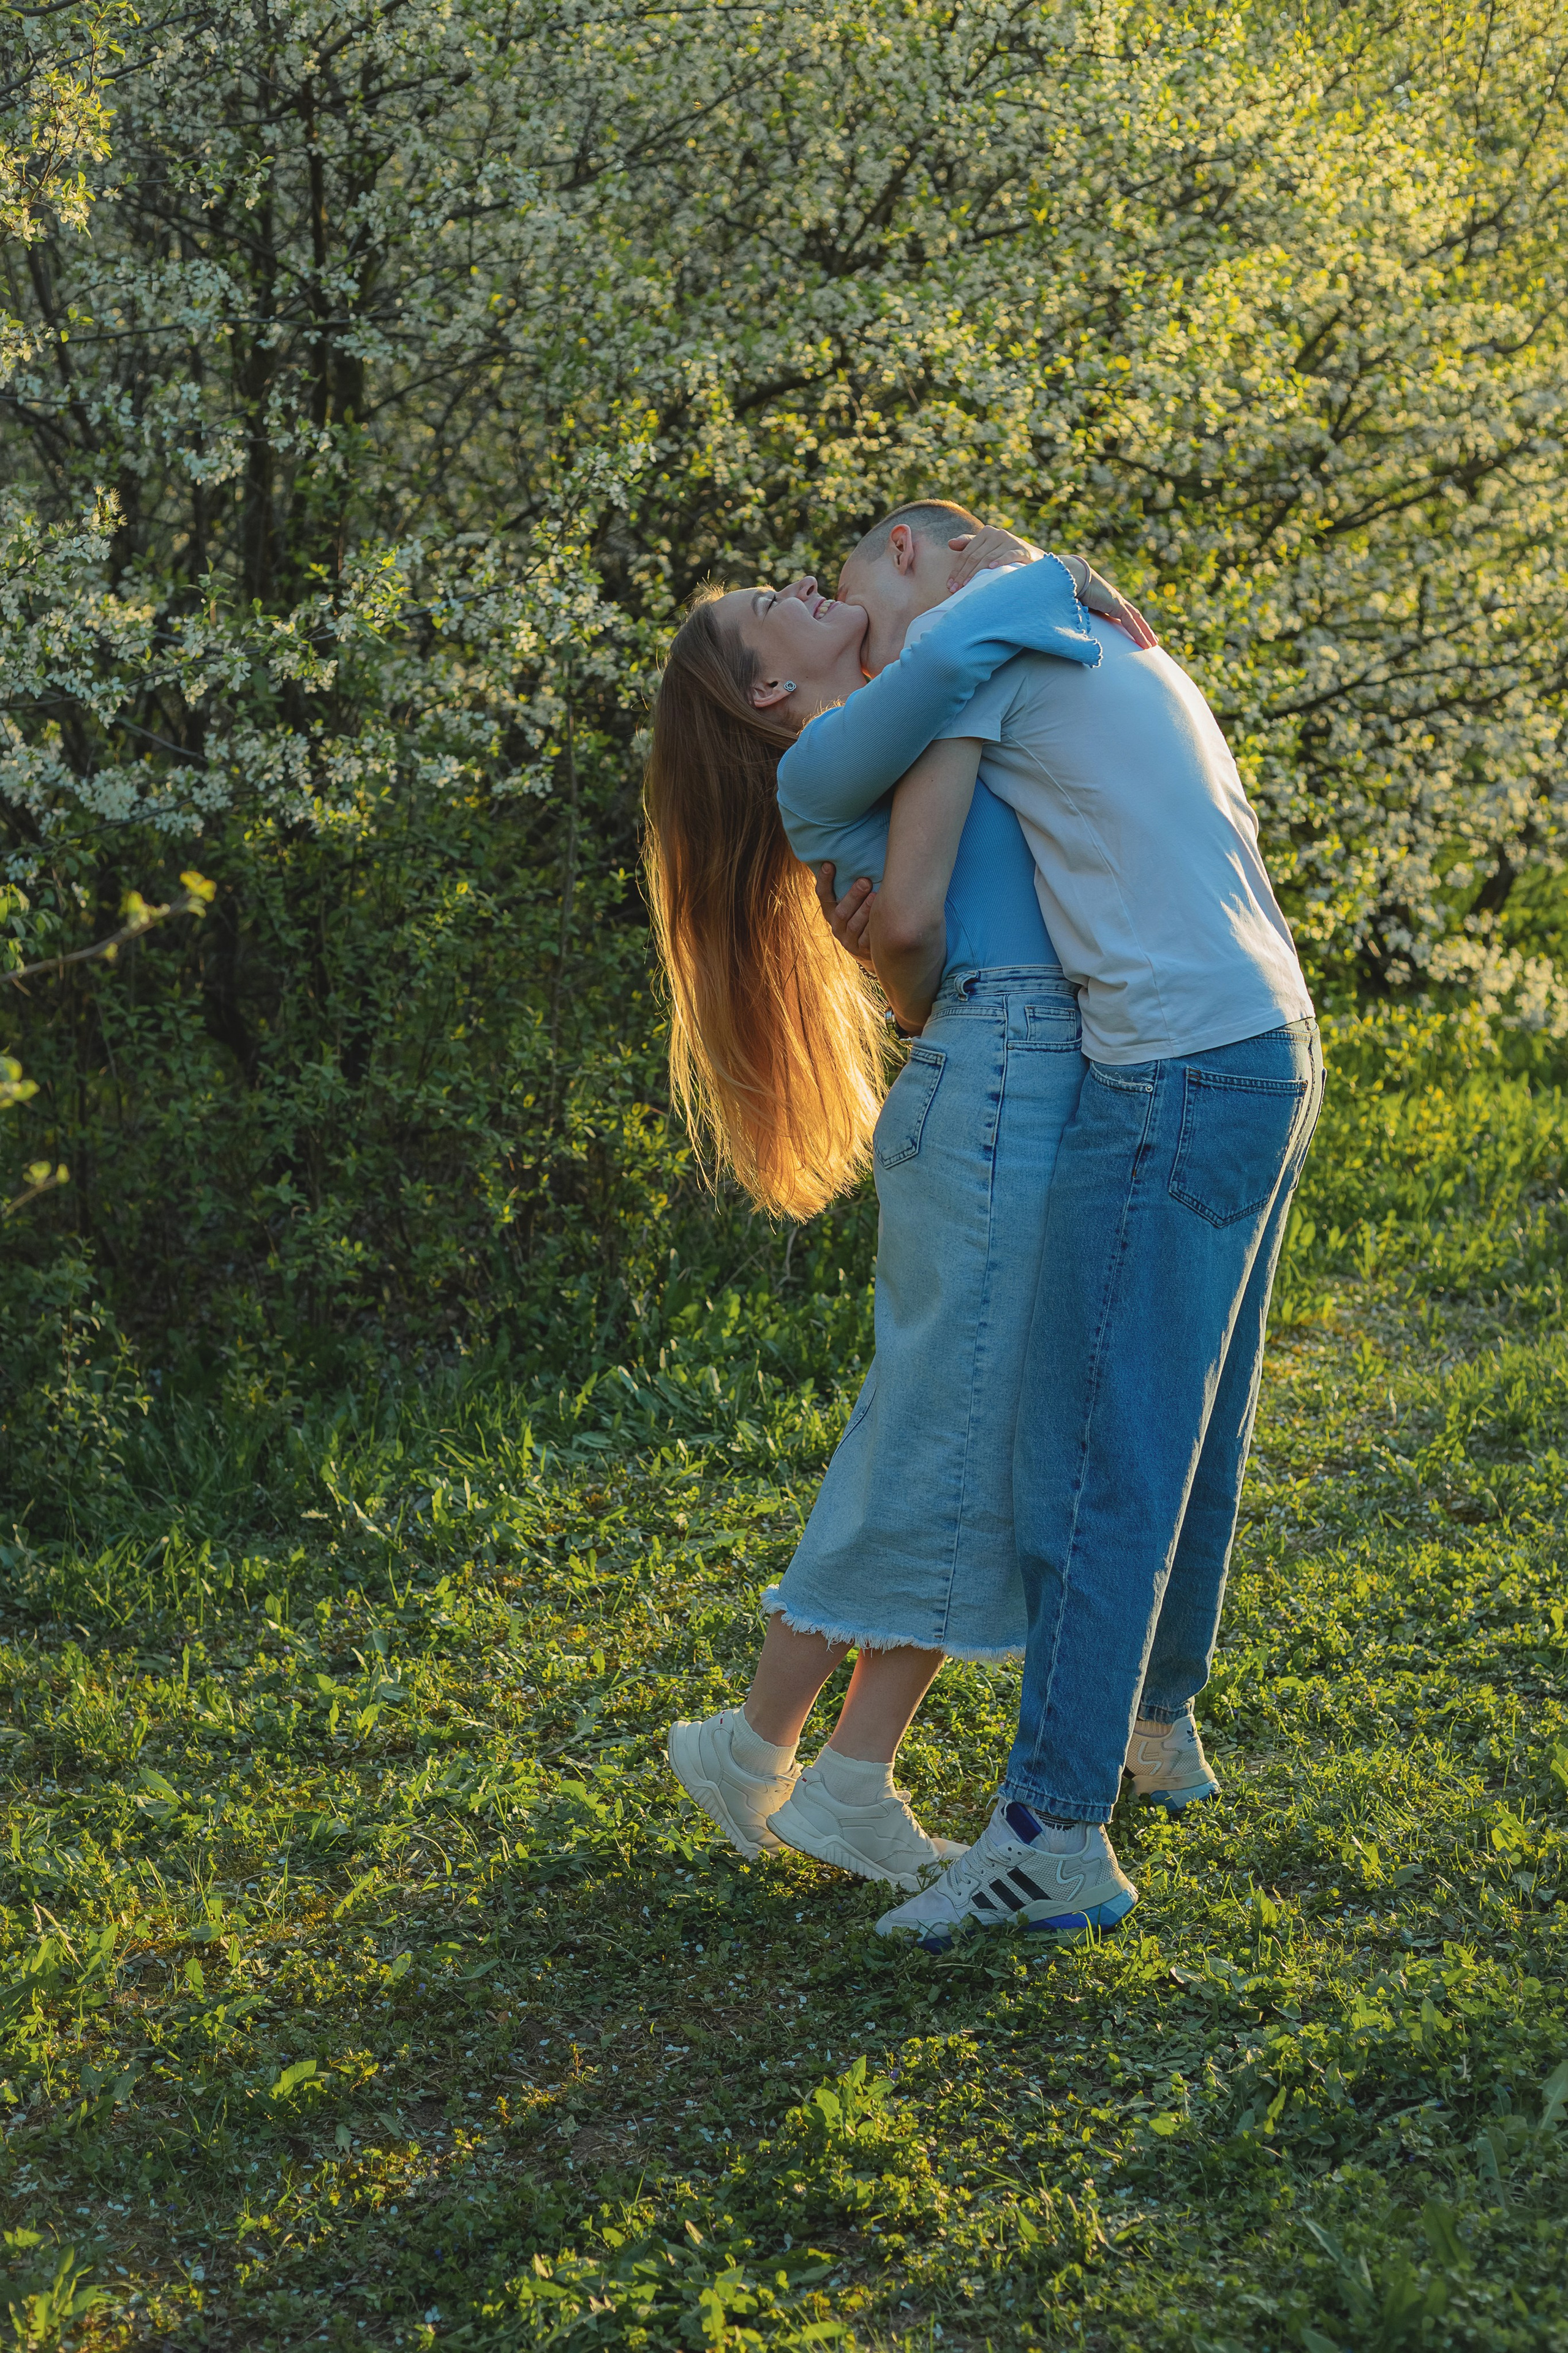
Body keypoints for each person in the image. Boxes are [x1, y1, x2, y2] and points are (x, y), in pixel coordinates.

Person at [783, 501, 1323, 1949]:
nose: (874, 635)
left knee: (1093, 1454)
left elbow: (856, 777)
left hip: (1170, 1068)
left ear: (914, 552)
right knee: (1191, 1427)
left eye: (858, 590)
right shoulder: (1097, 633)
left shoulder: (982, 631)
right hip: (1267, 1040)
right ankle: (1153, 1725)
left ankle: (1049, 1833)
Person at [644, 534, 1135, 1893]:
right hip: (992, 1107)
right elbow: (976, 645)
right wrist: (1060, 572)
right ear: (759, 694)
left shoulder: (864, 741)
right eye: (770, 606)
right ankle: (805, 1765)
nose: (803, 586)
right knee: (944, 1433)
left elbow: (926, 947)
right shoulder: (851, 736)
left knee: (944, 1431)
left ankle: (790, 1759)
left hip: (994, 1088)